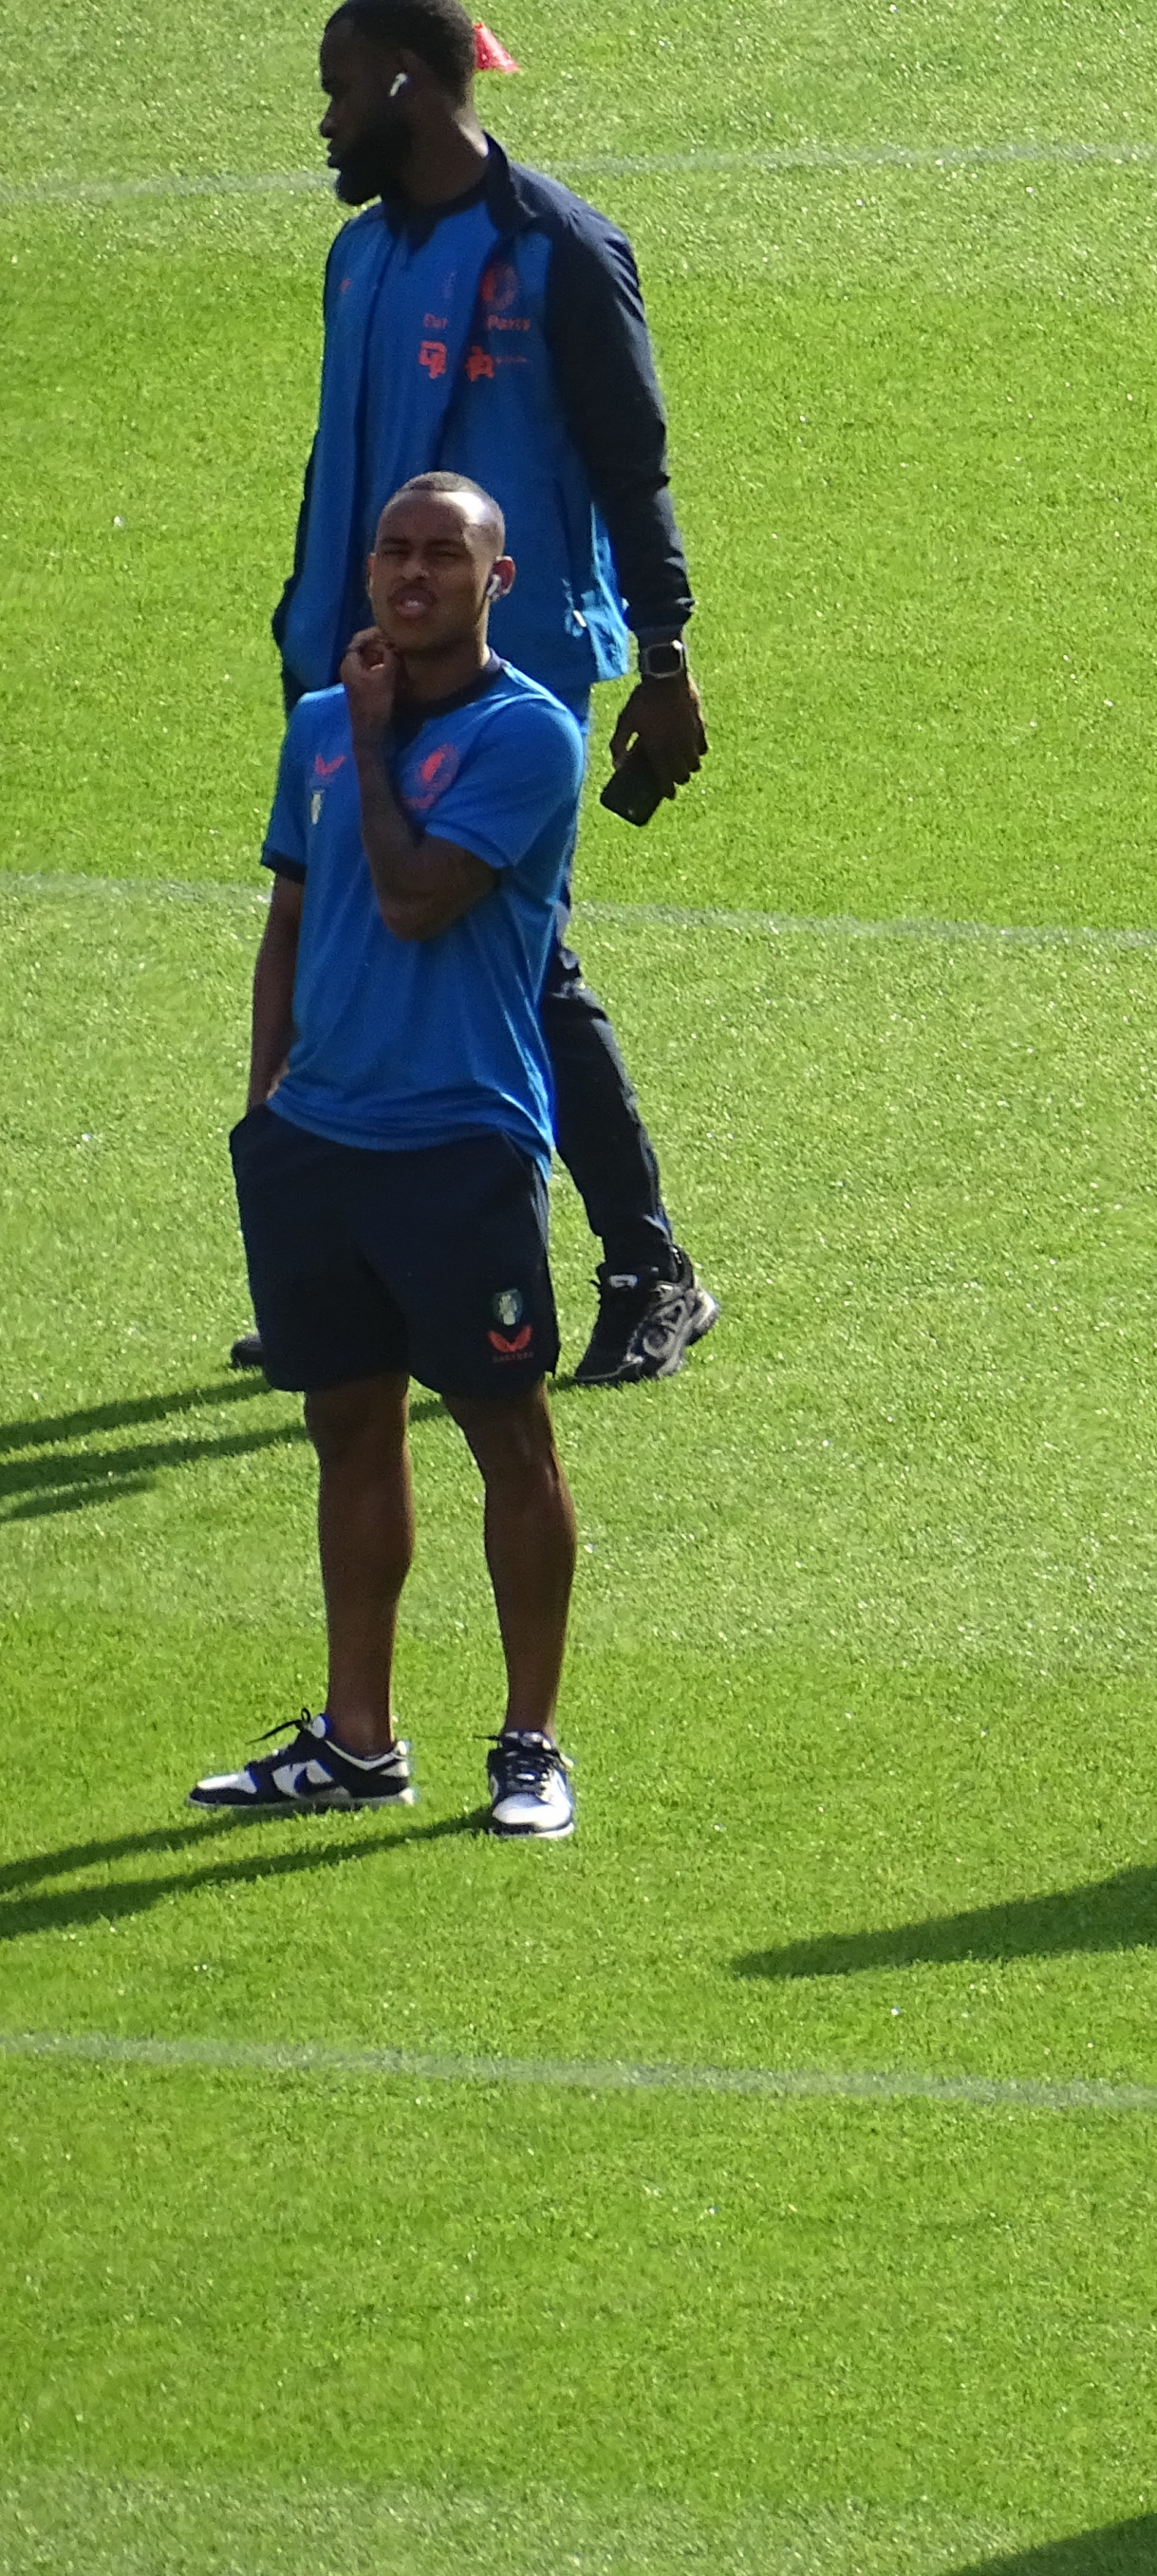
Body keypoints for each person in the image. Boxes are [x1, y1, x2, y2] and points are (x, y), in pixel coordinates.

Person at [244, 0, 716, 1388]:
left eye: (338, 88)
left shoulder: (558, 250)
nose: (323, 123)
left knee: (524, 964)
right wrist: (307, 623)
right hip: (350, 666)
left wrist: (670, 653)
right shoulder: (359, 258)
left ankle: (650, 1265)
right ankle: (339, 1270)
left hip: (511, 680)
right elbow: (341, 455)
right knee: (340, 943)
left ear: (403, 81)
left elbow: (634, 466)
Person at [194, 476, 595, 1841]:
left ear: (500, 581)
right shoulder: (317, 725)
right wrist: (264, 1112)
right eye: (393, 552)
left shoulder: (527, 738)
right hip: (318, 1146)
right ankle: (357, 1740)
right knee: (347, 1428)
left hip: (457, 1144)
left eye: (444, 556)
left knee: (508, 1438)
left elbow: (420, 900)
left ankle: (531, 1743)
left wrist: (371, 742)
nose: (410, 575)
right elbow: (291, 924)